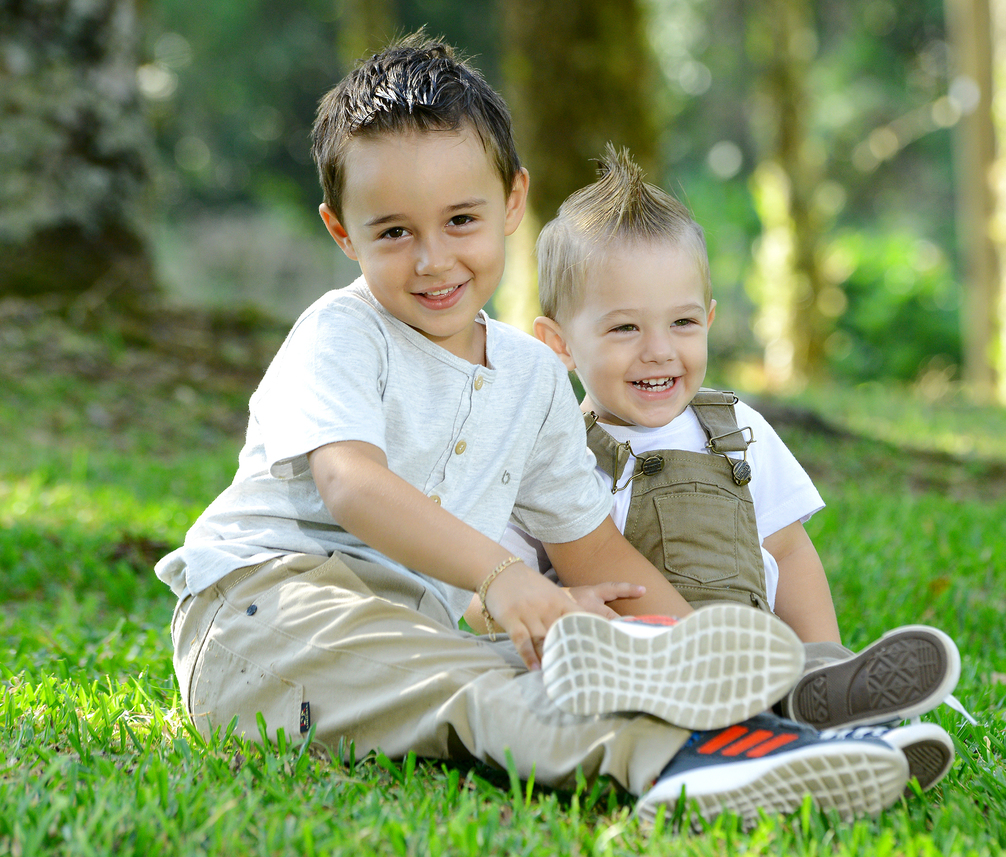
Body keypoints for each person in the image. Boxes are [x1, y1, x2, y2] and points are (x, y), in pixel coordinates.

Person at [154, 35, 914, 828]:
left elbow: (596, 551)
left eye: (460, 220)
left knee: (553, 661)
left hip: (414, 634)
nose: (433, 259)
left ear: (513, 201)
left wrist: (694, 648)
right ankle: (678, 760)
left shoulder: (532, 375)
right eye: (394, 232)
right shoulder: (341, 333)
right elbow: (353, 483)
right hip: (264, 616)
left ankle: (773, 716)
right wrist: (504, 576)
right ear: (342, 231)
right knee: (476, 688)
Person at [497, 145, 962, 791]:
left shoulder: (736, 428)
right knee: (619, 698)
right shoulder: (553, 454)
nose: (659, 350)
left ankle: (834, 712)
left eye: (683, 323)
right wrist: (557, 604)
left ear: (710, 319)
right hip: (642, 674)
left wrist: (825, 655)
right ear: (558, 343)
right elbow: (494, 582)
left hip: (754, 657)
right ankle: (773, 746)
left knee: (793, 675)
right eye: (625, 328)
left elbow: (788, 551)